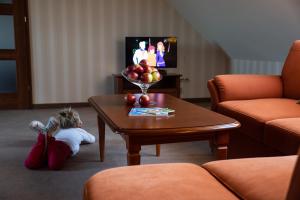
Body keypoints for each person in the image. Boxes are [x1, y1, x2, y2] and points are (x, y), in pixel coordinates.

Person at [24, 108, 95, 170]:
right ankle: (46, 134)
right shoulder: (79, 130)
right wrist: (82, 139)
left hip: (51, 142)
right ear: (77, 124)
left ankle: (43, 136)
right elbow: (92, 139)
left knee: (30, 164)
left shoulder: (61, 131)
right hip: (63, 147)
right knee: (54, 165)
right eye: (80, 120)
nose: (81, 122)